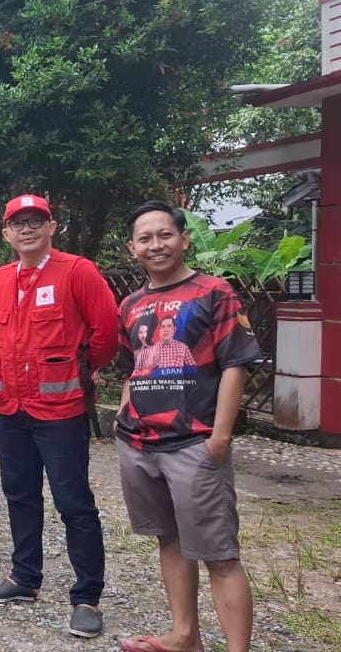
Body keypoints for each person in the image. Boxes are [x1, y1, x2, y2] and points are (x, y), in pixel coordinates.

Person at [0, 194, 118, 639]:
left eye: (36, 221)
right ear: (6, 233)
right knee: (19, 495)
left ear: (51, 227)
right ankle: (24, 578)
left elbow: (107, 331)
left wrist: (80, 369)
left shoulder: (77, 271)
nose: (27, 229)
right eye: (18, 223)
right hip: (11, 409)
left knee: (74, 503)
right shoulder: (0, 279)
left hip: (61, 410)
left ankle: (86, 597)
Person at [116, 201, 259, 652]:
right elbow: (133, 366)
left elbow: (235, 364)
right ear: (132, 248)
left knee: (219, 554)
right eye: (145, 238)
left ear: (184, 239)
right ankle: (184, 636)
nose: (155, 245)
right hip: (140, 443)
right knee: (169, 539)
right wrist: (123, 413)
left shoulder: (214, 291)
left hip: (194, 442)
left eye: (165, 235)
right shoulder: (131, 304)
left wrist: (219, 438)